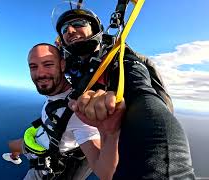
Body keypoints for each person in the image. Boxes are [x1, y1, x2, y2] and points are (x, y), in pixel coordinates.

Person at [52, 2, 195, 179]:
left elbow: (143, 97)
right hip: (93, 130)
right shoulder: (72, 62)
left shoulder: (119, 59)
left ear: (95, 28)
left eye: (79, 24)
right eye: (64, 28)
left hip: (115, 132)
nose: (70, 31)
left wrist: (169, 171)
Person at [2, 43, 125, 180]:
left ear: (62, 65)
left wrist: (110, 134)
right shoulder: (57, 94)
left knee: (15, 147)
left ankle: (16, 156)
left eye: (48, 64)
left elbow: (106, 173)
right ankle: (15, 157)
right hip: (40, 137)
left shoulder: (77, 109)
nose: (40, 73)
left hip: (45, 160)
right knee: (12, 145)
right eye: (33, 67)